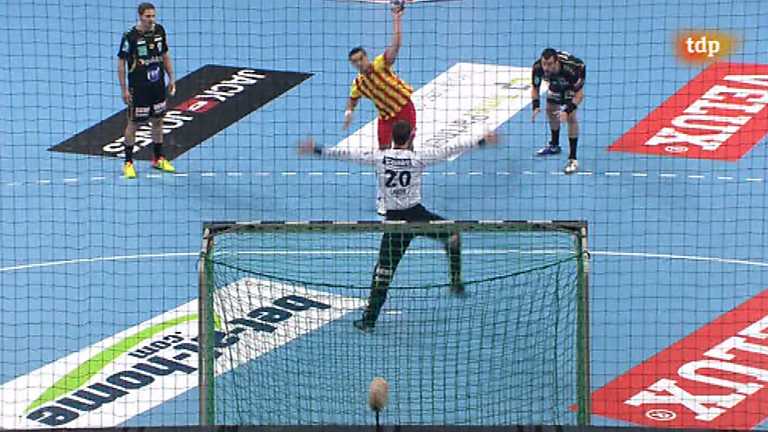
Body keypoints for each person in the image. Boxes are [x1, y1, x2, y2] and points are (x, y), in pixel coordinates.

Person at [299, 121, 499, 332]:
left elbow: (347, 154)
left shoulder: (379, 157)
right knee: (453, 236)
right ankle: (456, 281)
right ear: (411, 137)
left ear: (392, 138)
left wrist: (317, 149)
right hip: (418, 217)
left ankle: (369, 321)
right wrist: (482, 141)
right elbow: (450, 149)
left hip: (395, 223)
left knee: (384, 272)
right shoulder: (419, 158)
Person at [344, 4, 415, 215]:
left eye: (361, 59)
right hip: (385, 118)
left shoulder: (381, 64)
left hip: (404, 110)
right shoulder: (358, 84)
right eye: (354, 62)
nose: (359, 63)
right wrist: (349, 113)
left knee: (407, 152)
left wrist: (397, 18)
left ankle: (410, 191)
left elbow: (396, 45)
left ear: (366, 57)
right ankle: (383, 196)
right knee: (383, 157)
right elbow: (352, 100)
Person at [117, 2, 176, 179]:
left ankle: (158, 158)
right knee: (134, 123)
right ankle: (128, 163)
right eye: (148, 16)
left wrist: (172, 78)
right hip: (138, 88)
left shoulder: (159, 31)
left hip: (157, 86)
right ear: (140, 16)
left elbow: (165, 55)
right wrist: (124, 89)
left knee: (158, 120)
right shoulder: (130, 36)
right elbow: (121, 63)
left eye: (153, 16)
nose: (151, 19)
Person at [531, 48, 586, 175]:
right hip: (555, 81)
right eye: (544, 64)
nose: (546, 67)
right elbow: (535, 88)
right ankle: (554, 145)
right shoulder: (538, 67)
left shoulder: (571, 70)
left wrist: (566, 111)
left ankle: (573, 159)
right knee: (550, 109)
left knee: (571, 116)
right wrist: (536, 105)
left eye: (549, 64)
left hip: (571, 82)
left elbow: (579, 95)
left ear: (556, 62)